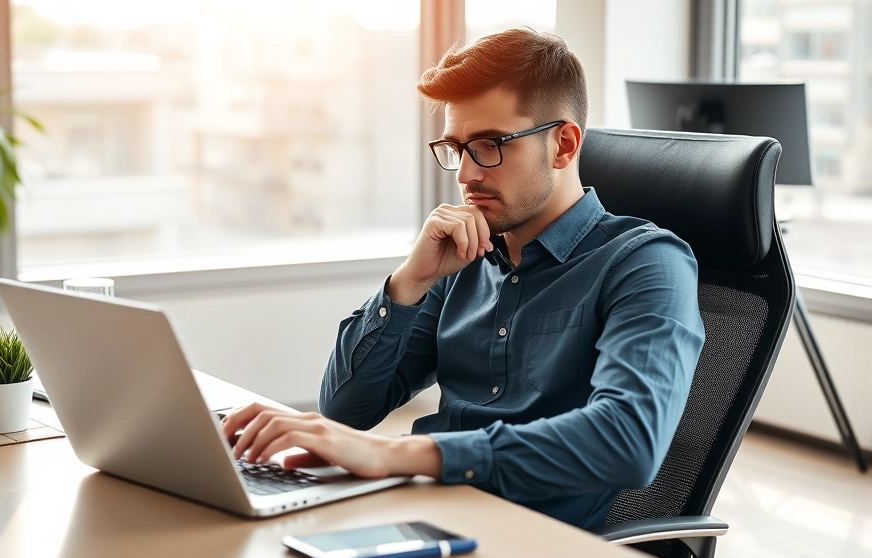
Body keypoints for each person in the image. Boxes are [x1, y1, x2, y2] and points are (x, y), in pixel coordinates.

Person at [221, 27, 705, 530]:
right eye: (456, 148)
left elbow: (628, 441)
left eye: (490, 145)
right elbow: (345, 409)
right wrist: (409, 281)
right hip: (417, 509)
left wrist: (401, 455)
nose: (466, 175)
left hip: (524, 544)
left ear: (563, 145)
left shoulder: (645, 263)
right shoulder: (465, 257)